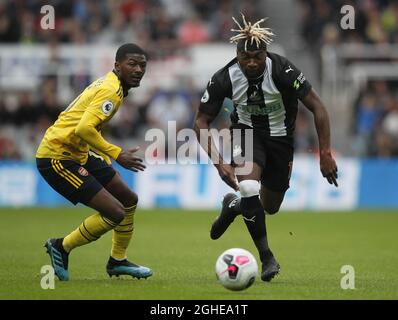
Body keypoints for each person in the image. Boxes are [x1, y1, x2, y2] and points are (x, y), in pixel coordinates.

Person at [194, 15, 338, 282]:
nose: (251, 62)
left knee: (269, 206)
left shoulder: (283, 70)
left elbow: (318, 107)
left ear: (265, 54)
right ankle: (266, 257)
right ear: (237, 55)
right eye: (245, 57)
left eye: (257, 56)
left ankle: (235, 206)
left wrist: (325, 153)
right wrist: (218, 162)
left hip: (281, 138)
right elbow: (201, 120)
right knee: (249, 186)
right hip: (245, 133)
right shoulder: (224, 77)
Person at [36, 43, 152, 281]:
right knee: (116, 213)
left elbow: (85, 128)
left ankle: (117, 260)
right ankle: (61, 246)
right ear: (117, 66)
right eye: (132, 64)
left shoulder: (113, 86)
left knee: (129, 199)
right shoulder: (111, 90)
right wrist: (116, 153)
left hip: (79, 152)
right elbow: (83, 128)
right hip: (57, 156)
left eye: (142, 65)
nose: (138, 69)